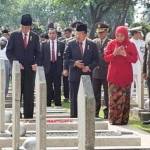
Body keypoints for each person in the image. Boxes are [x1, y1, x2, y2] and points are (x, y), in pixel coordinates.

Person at [6, 14, 41, 119]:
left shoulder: (34, 37)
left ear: (30, 27)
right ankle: (17, 115)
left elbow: (38, 53)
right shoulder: (14, 35)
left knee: (29, 94)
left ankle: (28, 116)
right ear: (20, 26)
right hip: (17, 70)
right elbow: (9, 52)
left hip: (30, 70)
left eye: (27, 27)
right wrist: (15, 63)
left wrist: (36, 63)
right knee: (17, 93)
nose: (25, 29)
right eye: (23, 27)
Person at [104, 26, 138, 125]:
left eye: (122, 36)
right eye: (117, 35)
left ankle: (123, 121)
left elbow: (134, 59)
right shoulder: (111, 43)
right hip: (114, 77)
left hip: (126, 77)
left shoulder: (130, 44)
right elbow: (106, 58)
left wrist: (125, 55)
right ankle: (114, 120)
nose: (119, 38)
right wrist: (114, 53)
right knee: (114, 100)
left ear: (126, 35)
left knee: (125, 100)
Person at [64, 24, 99, 118]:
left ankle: (86, 117)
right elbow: (66, 58)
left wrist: (89, 67)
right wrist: (74, 63)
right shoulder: (70, 44)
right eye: (76, 33)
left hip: (87, 76)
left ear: (85, 34)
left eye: (79, 33)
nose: (77, 35)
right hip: (74, 76)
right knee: (74, 98)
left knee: (86, 98)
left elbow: (96, 60)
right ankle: (74, 117)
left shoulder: (92, 45)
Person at [41, 27, 65, 107]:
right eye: (50, 33)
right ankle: (47, 103)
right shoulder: (44, 44)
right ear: (48, 34)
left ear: (56, 34)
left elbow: (63, 58)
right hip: (47, 67)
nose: (52, 35)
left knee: (57, 86)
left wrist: (63, 68)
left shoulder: (61, 44)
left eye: (53, 33)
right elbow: (41, 57)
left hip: (57, 67)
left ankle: (58, 103)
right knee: (48, 86)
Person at [93, 23, 110, 119]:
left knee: (107, 94)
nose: (100, 34)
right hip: (96, 71)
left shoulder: (110, 42)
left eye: (102, 32)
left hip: (107, 71)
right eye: (99, 32)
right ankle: (95, 112)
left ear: (106, 31)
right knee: (96, 93)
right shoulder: (94, 42)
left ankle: (107, 113)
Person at [130, 27, 145, 108]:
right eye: (139, 32)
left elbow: (143, 54)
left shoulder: (142, 43)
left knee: (140, 84)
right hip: (131, 66)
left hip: (140, 66)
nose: (140, 34)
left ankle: (140, 102)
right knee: (131, 84)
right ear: (135, 33)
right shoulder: (129, 42)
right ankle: (130, 101)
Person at [62, 27, 74, 102]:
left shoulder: (73, 41)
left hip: (72, 63)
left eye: (67, 33)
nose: (66, 34)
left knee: (71, 80)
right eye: (65, 33)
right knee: (65, 81)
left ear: (70, 33)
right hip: (64, 63)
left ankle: (71, 96)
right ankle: (66, 96)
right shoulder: (62, 42)